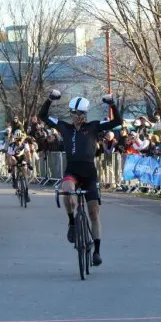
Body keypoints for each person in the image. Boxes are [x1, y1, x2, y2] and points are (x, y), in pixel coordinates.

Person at [38, 90, 122, 267]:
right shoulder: (63, 127)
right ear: (71, 114)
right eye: (75, 114)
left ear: (85, 114)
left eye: (81, 114)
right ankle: (71, 222)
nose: (77, 117)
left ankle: (97, 251)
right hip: (72, 170)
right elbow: (42, 116)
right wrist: (49, 99)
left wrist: (112, 104)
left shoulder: (93, 126)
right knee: (66, 189)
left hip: (89, 172)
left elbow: (117, 122)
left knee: (94, 212)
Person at [6, 130, 33, 197]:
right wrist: (9, 167)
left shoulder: (25, 144)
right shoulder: (11, 145)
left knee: (24, 169)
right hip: (14, 157)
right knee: (13, 160)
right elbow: (9, 157)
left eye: (20, 139)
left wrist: (29, 163)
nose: (18, 141)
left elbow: (28, 154)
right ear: (14, 139)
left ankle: (26, 191)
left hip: (22, 157)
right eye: (16, 139)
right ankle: (14, 178)